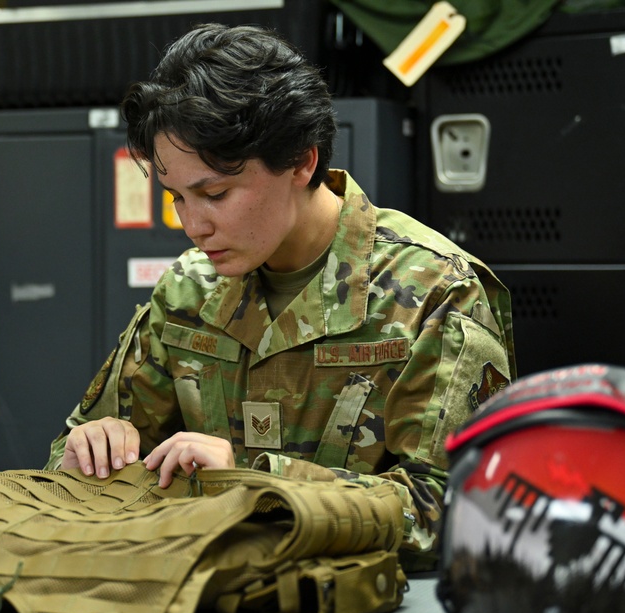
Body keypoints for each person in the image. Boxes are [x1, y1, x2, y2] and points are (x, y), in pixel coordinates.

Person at [47, 22, 515, 571]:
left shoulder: (435, 293)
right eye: (175, 198)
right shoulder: (189, 291)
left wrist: (258, 485)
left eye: (215, 194)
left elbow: (453, 509)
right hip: (209, 609)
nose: (192, 225)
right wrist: (96, 447)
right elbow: (68, 457)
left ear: (301, 162)